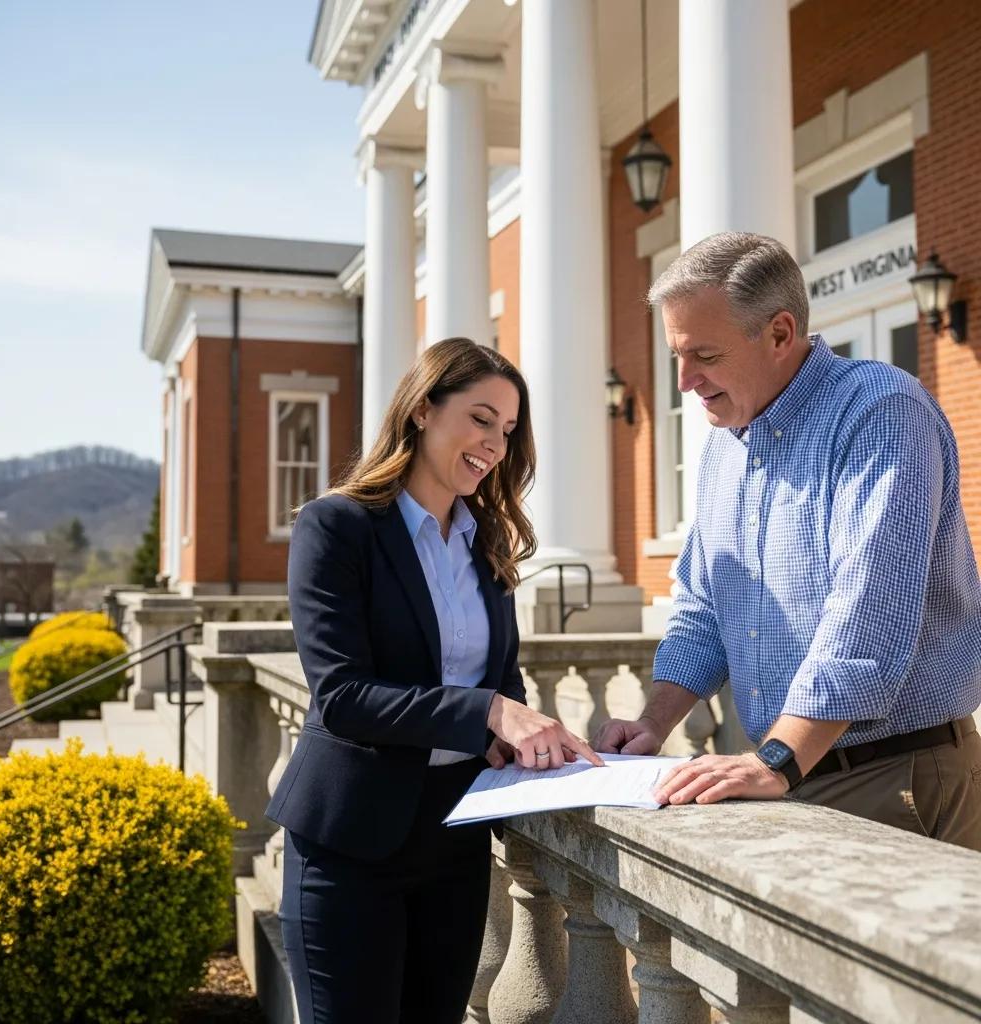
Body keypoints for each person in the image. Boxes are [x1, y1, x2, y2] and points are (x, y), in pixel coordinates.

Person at [593, 232, 981, 851]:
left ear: (779, 333)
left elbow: (868, 614)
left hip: (893, 775)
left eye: (705, 355)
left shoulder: (882, 412)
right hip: (791, 770)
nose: (685, 381)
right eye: (676, 356)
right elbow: (702, 610)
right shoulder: (723, 449)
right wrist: (652, 723)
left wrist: (776, 759)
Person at [267, 337, 603, 1024]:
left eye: (507, 429)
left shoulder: (487, 543)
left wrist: (539, 744)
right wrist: (488, 712)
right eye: (480, 419)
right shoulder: (337, 527)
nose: (495, 444)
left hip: (455, 844)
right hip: (349, 847)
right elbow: (342, 696)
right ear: (422, 409)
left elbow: (500, 679)